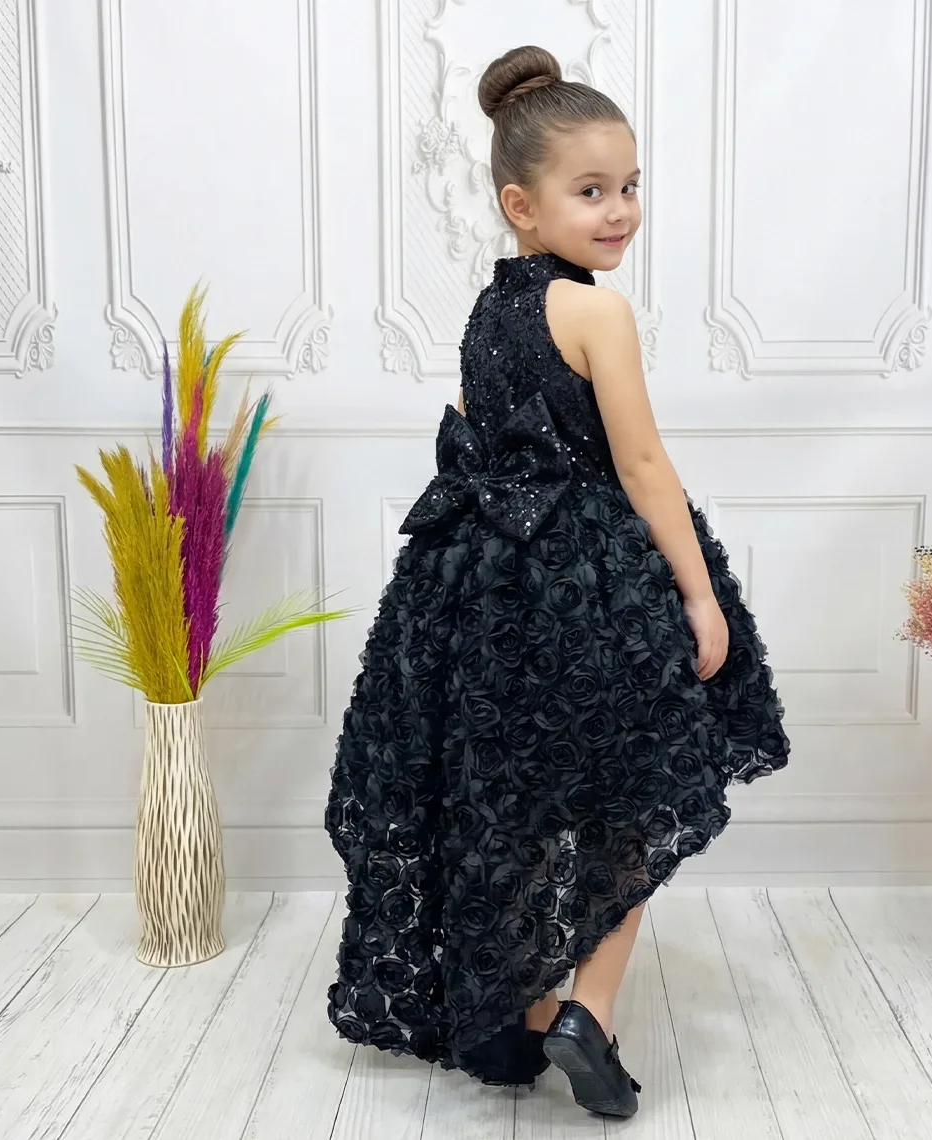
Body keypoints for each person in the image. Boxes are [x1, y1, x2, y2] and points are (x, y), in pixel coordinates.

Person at [324, 44, 789, 1120]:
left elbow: (474, 440)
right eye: (592, 191)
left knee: (530, 799)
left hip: (485, 589)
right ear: (521, 206)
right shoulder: (598, 314)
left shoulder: (489, 313)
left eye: (630, 186)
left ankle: (528, 1011)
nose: (620, 210)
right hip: (589, 582)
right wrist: (700, 595)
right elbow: (640, 463)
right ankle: (590, 1008)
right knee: (632, 794)